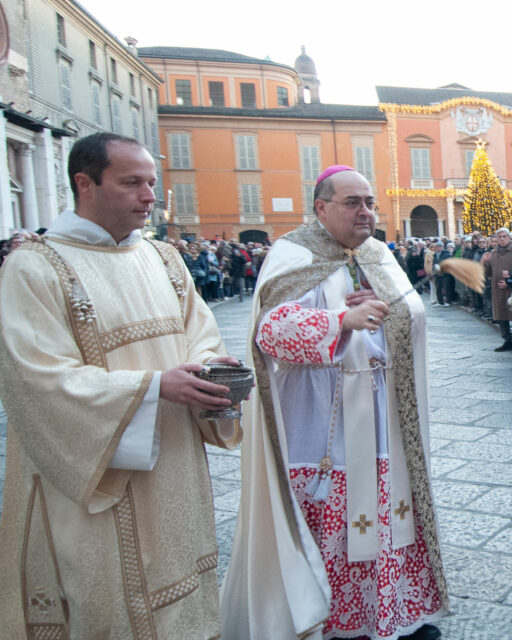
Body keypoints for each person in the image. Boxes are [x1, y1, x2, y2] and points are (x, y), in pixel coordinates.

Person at [0, 132, 241, 637]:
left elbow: (199, 333)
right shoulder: (34, 267)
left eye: (151, 182)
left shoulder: (165, 259)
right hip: (95, 474)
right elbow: (39, 379)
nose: (150, 196)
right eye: (132, 183)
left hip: (175, 465)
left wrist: (210, 369)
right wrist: (156, 388)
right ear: (84, 184)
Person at [223, 166, 448, 639]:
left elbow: (412, 314)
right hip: (320, 415)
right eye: (352, 202)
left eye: (369, 202)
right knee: (336, 518)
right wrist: (339, 322)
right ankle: (331, 622)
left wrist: (389, 313)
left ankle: (392, 615)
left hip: (382, 409)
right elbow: (271, 333)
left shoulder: (378, 253)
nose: (365, 211)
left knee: (385, 516)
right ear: (321, 207)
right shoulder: (293, 254)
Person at [483, 228, 512, 351]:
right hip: (497, 289)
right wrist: (485, 262)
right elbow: (488, 272)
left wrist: (509, 282)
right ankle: (507, 340)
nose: (502, 239)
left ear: (509, 238)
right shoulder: (493, 253)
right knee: (501, 315)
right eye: (499, 237)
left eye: (504, 236)